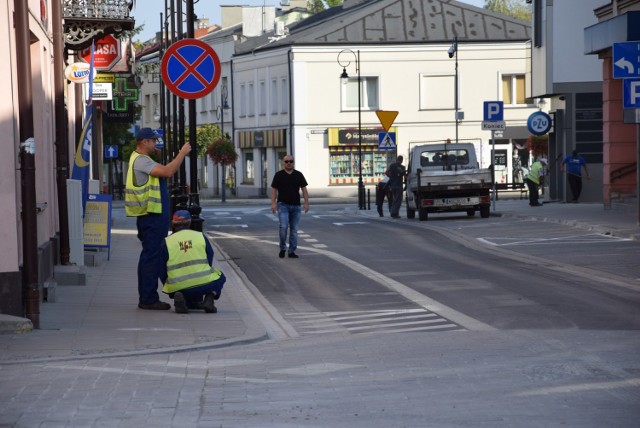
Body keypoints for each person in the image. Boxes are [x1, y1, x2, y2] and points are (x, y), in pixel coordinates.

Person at [125, 127, 191, 310]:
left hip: (152, 215)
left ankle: (160, 293)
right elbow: (168, 172)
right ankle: (148, 298)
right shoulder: (141, 161)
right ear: (144, 142)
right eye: (153, 140)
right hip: (152, 216)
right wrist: (182, 154)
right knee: (151, 256)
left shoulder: (142, 159)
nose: (156, 143)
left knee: (155, 255)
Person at [160, 210, 226, 314]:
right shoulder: (200, 236)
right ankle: (209, 298)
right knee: (221, 277)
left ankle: (181, 297)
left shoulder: (167, 242)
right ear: (190, 222)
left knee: (182, 285)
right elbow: (209, 257)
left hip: (177, 286)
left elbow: (161, 269)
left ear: (173, 223)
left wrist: (168, 285)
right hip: (204, 284)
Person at [270, 155, 309, 258]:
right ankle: (283, 248)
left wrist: (306, 202)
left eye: (291, 161)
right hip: (283, 205)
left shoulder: (298, 175)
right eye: (286, 161)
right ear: (283, 163)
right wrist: (273, 203)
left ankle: (291, 251)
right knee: (283, 227)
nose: (288, 163)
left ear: (293, 162)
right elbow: (274, 189)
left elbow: (304, 189)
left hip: (296, 206)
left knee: (294, 229)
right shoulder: (278, 175)